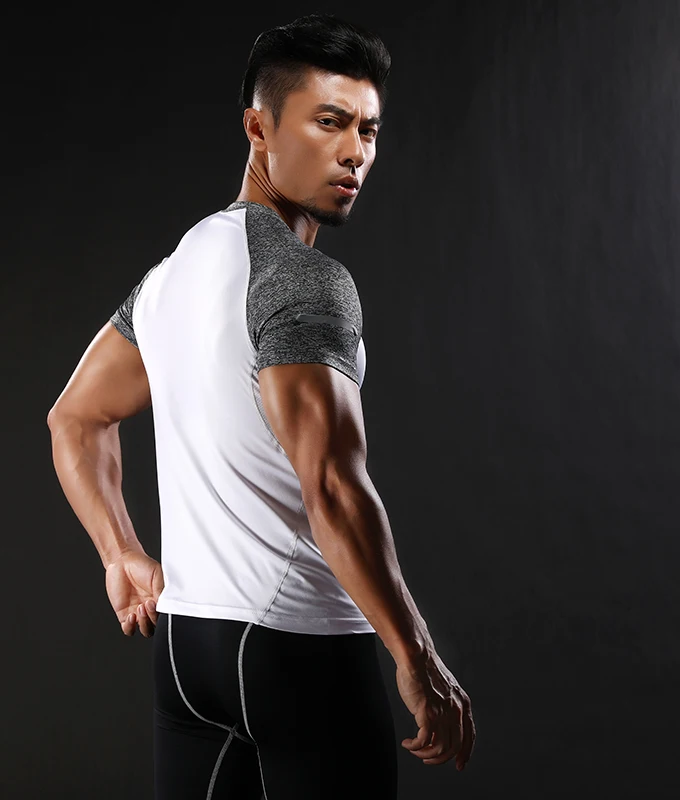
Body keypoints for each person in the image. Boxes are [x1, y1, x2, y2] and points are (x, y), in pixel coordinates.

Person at [47, 12, 475, 799]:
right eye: (329, 122)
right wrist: (416, 655)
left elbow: (74, 416)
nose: (355, 152)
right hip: (297, 651)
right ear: (258, 127)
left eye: (369, 130)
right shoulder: (305, 281)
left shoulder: (175, 270)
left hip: (189, 651)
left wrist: (120, 554)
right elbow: (334, 487)